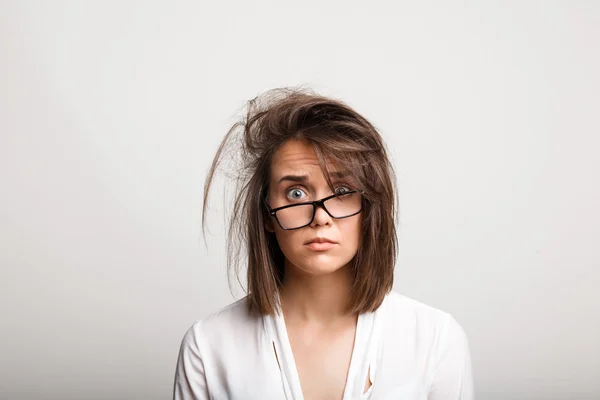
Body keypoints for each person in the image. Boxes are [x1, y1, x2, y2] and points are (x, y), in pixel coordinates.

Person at [173, 87, 475, 399]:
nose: (321, 218)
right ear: (267, 214)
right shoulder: (208, 347)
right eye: (296, 193)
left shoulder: (436, 340)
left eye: (343, 190)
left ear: (369, 207)